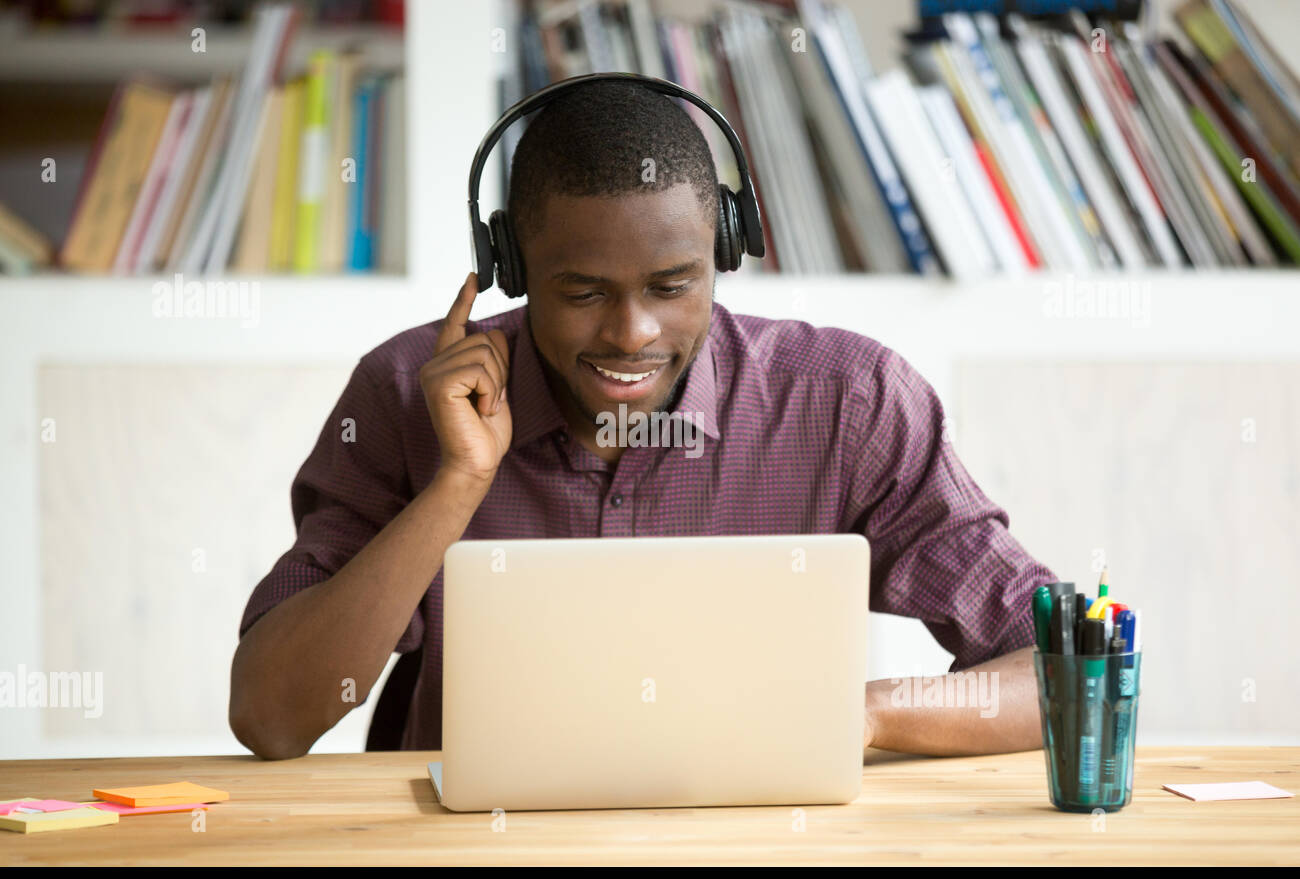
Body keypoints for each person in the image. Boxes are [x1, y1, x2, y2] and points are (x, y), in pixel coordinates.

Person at [230, 80, 1056, 761]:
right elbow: (272, 717)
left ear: (725, 249)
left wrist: (866, 714)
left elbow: (1063, 674)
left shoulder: (848, 400)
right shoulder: (406, 391)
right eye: (583, 292)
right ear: (511, 266)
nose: (631, 334)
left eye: (671, 286)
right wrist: (458, 483)